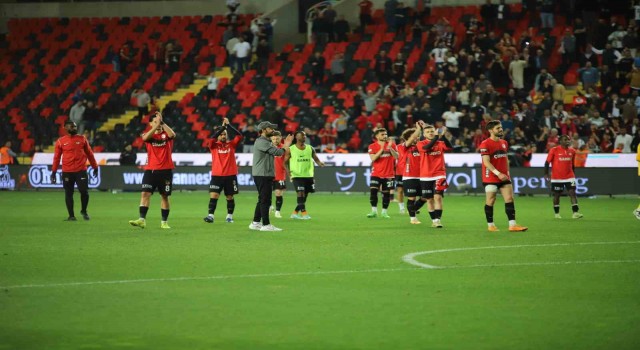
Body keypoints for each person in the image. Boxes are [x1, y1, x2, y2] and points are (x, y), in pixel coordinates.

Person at [129, 112, 176, 229]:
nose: (158, 124)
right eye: (155, 121)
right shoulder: (148, 135)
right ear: (150, 123)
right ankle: (142, 220)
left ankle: (164, 222)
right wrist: (156, 126)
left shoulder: (167, 134)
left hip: (166, 171)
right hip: (150, 170)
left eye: (159, 121)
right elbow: (144, 138)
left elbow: (173, 134)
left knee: (164, 196)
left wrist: (162, 122)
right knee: (145, 193)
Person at [479, 120, 528, 232]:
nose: (501, 129)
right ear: (491, 130)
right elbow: (486, 162)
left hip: (504, 177)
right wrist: (498, 173)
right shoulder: (485, 144)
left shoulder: (504, 143)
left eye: (501, 127)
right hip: (490, 177)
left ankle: (512, 225)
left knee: (509, 198)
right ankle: (491, 225)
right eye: (498, 128)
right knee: (491, 200)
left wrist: (507, 173)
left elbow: (505, 159)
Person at [50, 121, 99, 221]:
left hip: (81, 170)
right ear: (65, 128)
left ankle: (84, 211)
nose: (74, 128)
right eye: (72, 126)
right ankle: (71, 216)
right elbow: (56, 157)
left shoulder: (82, 139)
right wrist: (54, 172)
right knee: (68, 193)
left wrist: (95, 167)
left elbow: (90, 154)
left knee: (84, 191)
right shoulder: (61, 141)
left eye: (75, 126)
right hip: (67, 171)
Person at [250, 121, 294, 231]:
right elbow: (278, 153)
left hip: (264, 173)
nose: (273, 130)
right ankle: (266, 225)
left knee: (262, 199)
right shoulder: (261, 141)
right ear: (264, 130)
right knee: (265, 200)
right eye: (270, 128)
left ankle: (255, 223)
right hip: (263, 174)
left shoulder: (266, 141)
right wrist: (286, 145)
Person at [204, 118, 243, 224]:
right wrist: (222, 128)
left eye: (225, 134)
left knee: (229, 196)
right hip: (217, 175)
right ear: (218, 136)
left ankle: (229, 217)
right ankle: (210, 216)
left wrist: (228, 126)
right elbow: (212, 138)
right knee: (214, 195)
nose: (223, 136)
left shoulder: (231, 145)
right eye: (221, 134)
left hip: (230, 175)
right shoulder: (213, 145)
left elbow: (239, 136)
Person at [417, 124, 452, 228]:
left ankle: (438, 220)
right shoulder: (420, 143)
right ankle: (433, 220)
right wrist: (437, 137)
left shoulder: (440, 143)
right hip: (425, 175)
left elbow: (450, 147)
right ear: (424, 134)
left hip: (439, 174)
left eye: (432, 131)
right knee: (429, 199)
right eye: (428, 132)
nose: (431, 133)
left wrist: (444, 136)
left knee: (438, 197)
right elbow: (427, 148)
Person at [284, 130, 325, 220]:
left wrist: (320, 163)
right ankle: (304, 213)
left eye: (305, 135)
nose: (304, 137)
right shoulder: (291, 149)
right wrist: (288, 173)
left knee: (305, 195)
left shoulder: (310, 148)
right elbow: (285, 162)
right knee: (300, 193)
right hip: (297, 175)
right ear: (296, 137)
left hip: (308, 175)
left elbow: (316, 159)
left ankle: (294, 213)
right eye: (302, 135)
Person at [544, 135, 584, 219]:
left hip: (569, 176)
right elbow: (547, 162)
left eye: (568, 139)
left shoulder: (572, 151)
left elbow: (572, 164)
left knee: (572, 193)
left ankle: (575, 212)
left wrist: (573, 173)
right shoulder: (554, 150)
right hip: (556, 177)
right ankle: (557, 213)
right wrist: (546, 173)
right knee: (557, 195)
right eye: (565, 139)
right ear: (560, 141)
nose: (568, 141)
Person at [366, 128, 398, 218]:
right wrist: (383, 148)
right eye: (382, 134)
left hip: (389, 174)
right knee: (373, 191)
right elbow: (373, 158)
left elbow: (396, 156)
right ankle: (374, 211)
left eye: (385, 134)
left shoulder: (392, 145)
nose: (385, 136)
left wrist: (390, 148)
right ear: (377, 136)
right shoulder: (372, 146)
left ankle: (384, 212)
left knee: (386, 194)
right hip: (376, 173)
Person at [397, 122, 425, 224]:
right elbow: (412, 138)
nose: (417, 137)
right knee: (412, 197)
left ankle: (413, 209)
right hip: (410, 176)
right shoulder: (402, 147)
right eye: (416, 136)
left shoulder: (421, 146)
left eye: (418, 136)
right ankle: (413, 218)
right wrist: (418, 128)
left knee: (426, 196)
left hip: (423, 176)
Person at [270, 131, 287, 219]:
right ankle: (270, 206)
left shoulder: (284, 148)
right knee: (266, 193)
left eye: (277, 138)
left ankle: (277, 211)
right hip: (269, 174)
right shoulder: (268, 148)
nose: (275, 140)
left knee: (278, 193)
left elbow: (287, 161)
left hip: (280, 174)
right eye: (273, 138)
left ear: (281, 138)